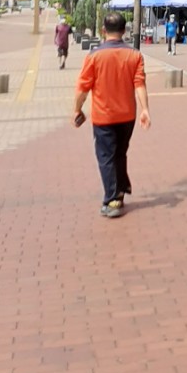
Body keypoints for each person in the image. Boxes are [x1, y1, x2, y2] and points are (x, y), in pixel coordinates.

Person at [72, 12, 151, 218]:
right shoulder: (135, 55)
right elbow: (140, 84)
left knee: (106, 157)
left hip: (103, 116)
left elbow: (82, 88)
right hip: (127, 115)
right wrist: (145, 109)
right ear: (124, 30)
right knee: (120, 153)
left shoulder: (94, 56)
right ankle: (121, 188)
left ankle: (113, 199)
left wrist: (77, 109)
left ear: (103, 30)